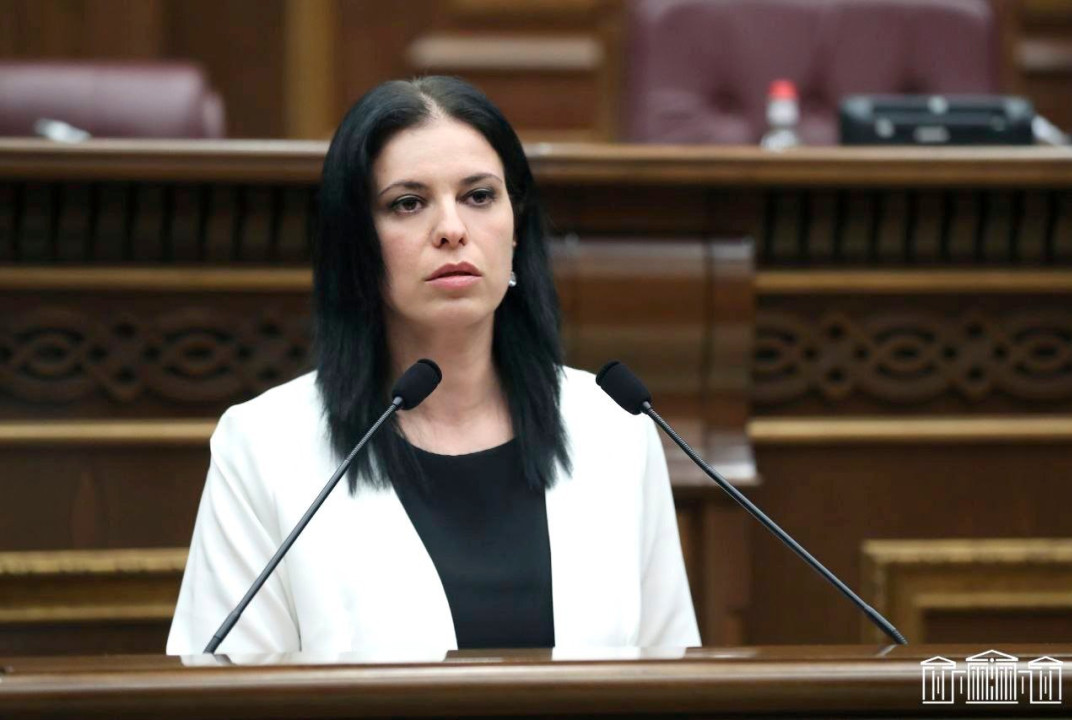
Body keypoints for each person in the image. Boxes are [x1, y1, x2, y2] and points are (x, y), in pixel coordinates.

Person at [166, 76, 699, 655]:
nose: (451, 229)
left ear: (516, 228)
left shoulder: (613, 427)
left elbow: (671, 674)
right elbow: (224, 683)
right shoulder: (265, 445)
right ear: (358, 243)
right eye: (408, 203)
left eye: (479, 196)